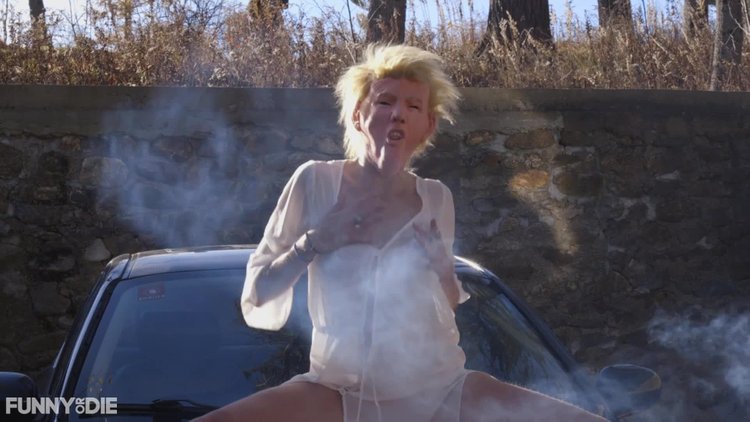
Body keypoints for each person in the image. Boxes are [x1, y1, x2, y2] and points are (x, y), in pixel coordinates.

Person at [196, 44, 606, 422]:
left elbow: (447, 305)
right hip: (339, 392)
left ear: (427, 125)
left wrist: (443, 270)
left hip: (441, 390)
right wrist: (315, 241)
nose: (398, 114)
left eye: (413, 105)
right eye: (385, 101)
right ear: (358, 115)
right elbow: (259, 292)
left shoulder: (436, 198)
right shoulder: (315, 182)